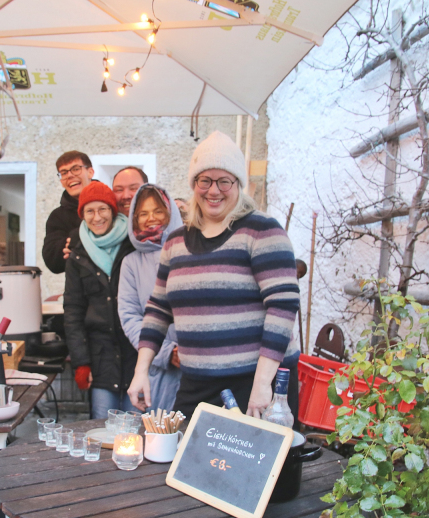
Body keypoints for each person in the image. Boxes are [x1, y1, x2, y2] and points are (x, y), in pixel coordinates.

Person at [127, 131, 300, 419]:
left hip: (255, 382)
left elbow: (283, 306)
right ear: (194, 184)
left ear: (238, 183)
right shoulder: (175, 242)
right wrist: (141, 370)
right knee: (183, 447)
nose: (214, 190)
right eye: (205, 180)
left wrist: (262, 384)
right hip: (197, 382)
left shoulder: (262, 230)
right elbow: (158, 309)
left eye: (224, 181)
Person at [64, 182, 137, 419]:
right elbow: (73, 311)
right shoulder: (77, 254)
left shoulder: (134, 244)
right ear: (82, 215)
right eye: (90, 211)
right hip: (100, 358)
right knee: (102, 429)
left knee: (136, 428)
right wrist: (81, 363)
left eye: (102, 209)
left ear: (113, 211)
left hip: (136, 355)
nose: (97, 217)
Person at [118, 184, 184, 412]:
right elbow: (130, 317)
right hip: (157, 371)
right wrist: (165, 352)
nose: (151, 218)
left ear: (170, 212)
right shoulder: (131, 263)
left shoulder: (190, 251)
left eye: (157, 211)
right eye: (143, 213)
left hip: (195, 368)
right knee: (158, 431)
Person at [42, 151, 94, 274]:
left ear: (90, 172)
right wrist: (78, 237)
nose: (70, 175)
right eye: (64, 173)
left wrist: (75, 244)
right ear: (61, 181)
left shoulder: (112, 204)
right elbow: (52, 262)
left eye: (76, 169)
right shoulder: (57, 217)